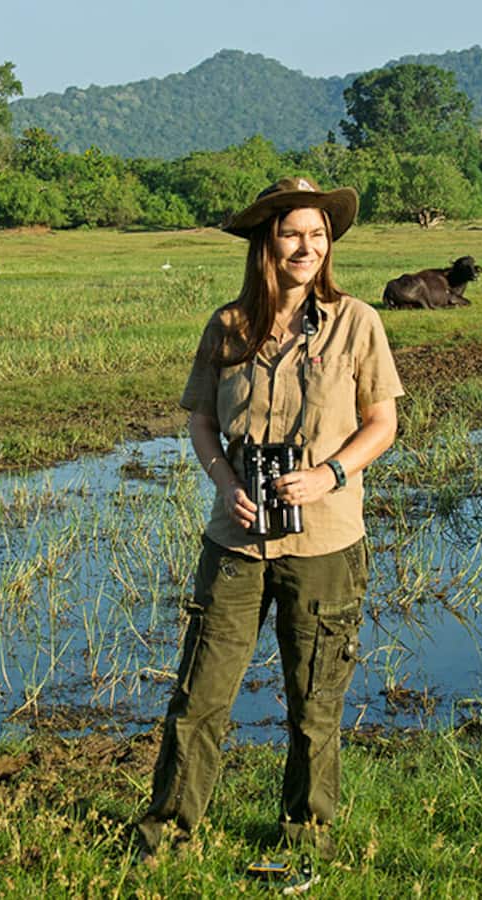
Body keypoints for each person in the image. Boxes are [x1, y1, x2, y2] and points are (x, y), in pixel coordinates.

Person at [136, 176, 403, 862]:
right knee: (199, 698)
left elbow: (383, 422)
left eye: (318, 235)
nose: (306, 247)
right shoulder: (229, 326)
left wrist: (329, 474)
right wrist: (226, 483)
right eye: (293, 234)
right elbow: (199, 421)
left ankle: (304, 837)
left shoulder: (356, 322)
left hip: (326, 539)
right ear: (266, 243)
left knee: (314, 704)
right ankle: (168, 836)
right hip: (235, 538)